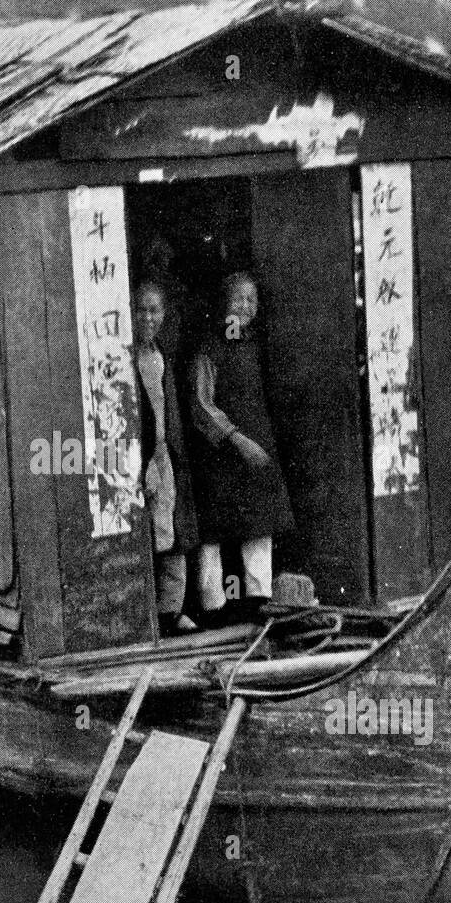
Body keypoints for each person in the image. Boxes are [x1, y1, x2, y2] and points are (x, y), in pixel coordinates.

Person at [188, 271, 293, 624]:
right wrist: (237, 439)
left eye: (251, 300)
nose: (245, 307)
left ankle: (258, 606)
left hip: (255, 452)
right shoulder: (208, 348)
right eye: (238, 300)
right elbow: (201, 405)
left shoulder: (252, 343)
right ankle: (214, 612)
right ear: (223, 303)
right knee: (214, 535)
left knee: (259, 527)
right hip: (220, 454)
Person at [133, 280, 199, 635]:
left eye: (154, 310)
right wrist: (143, 460)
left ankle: (172, 610)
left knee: (172, 526)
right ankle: (147, 613)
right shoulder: (126, 358)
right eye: (141, 309)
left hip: (165, 453)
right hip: (141, 455)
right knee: (145, 528)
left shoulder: (161, 357)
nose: (148, 317)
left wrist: (165, 455)